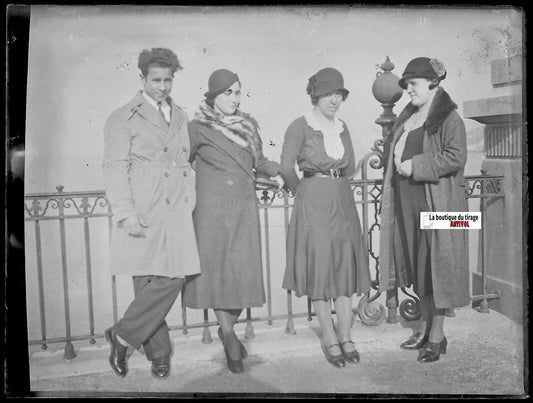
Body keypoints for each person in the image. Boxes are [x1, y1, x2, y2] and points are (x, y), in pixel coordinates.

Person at [103, 48, 201, 379]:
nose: (162, 86)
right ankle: (159, 354)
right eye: (156, 80)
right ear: (142, 78)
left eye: (168, 80)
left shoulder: (181, 115)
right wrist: (125, 212)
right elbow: (115, 168)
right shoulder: (122, 117)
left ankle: (121, 334)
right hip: (143, 207)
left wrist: (189, 198)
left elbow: (186, 160)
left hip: (174, 208)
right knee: (146, 280)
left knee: (173, 275)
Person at [183, 69, 284, 374]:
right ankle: (229, 337)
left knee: (242, 274)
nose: (235, 98)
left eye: (238, 92)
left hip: (242, 208)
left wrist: (279, 172)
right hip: (211, 212)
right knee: (218, 275)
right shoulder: (197, 127)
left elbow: (258, 161)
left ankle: (227, 331)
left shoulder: (249, 125)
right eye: (228, 92)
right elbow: (180, 162)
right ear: (213, 96)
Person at [378, 57, 469, 363]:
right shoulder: (408, 117)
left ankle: (438, 336)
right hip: (408, 202)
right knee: (419, 267)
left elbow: (456, 158)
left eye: (413, 84)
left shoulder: (448, 118)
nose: (408, 91)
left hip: (437, 201)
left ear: (433, 83)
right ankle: (426, 326)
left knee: (436, 268)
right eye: (406, 86)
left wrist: (415, 165)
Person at [280, 67, 371, 369]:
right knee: (320, 270)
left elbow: (346, 169)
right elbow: (285, 167)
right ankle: (329, 339)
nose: (335, 100)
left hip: (343, 202)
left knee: (344, 267)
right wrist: (303, 194)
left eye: (339, 95)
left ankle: (346, 337)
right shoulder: (300, 126)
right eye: (329, 94)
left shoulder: (342, 127)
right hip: (313, 204)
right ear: (316, 95)